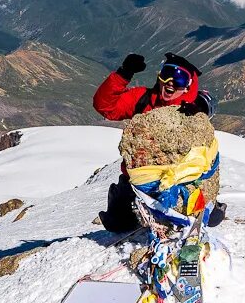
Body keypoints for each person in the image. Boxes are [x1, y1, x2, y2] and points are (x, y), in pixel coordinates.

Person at [93, 52, 225, 232]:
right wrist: (123, 74)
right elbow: (105, 106)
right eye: (166, 74)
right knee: (117, 224)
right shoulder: (144, 99)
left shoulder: (195, 110)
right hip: (141, 180)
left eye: (179, 78)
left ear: (188, 86)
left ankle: (210, 202)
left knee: (210, 218)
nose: (170, 81)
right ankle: (118, 195)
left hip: (184, 180)